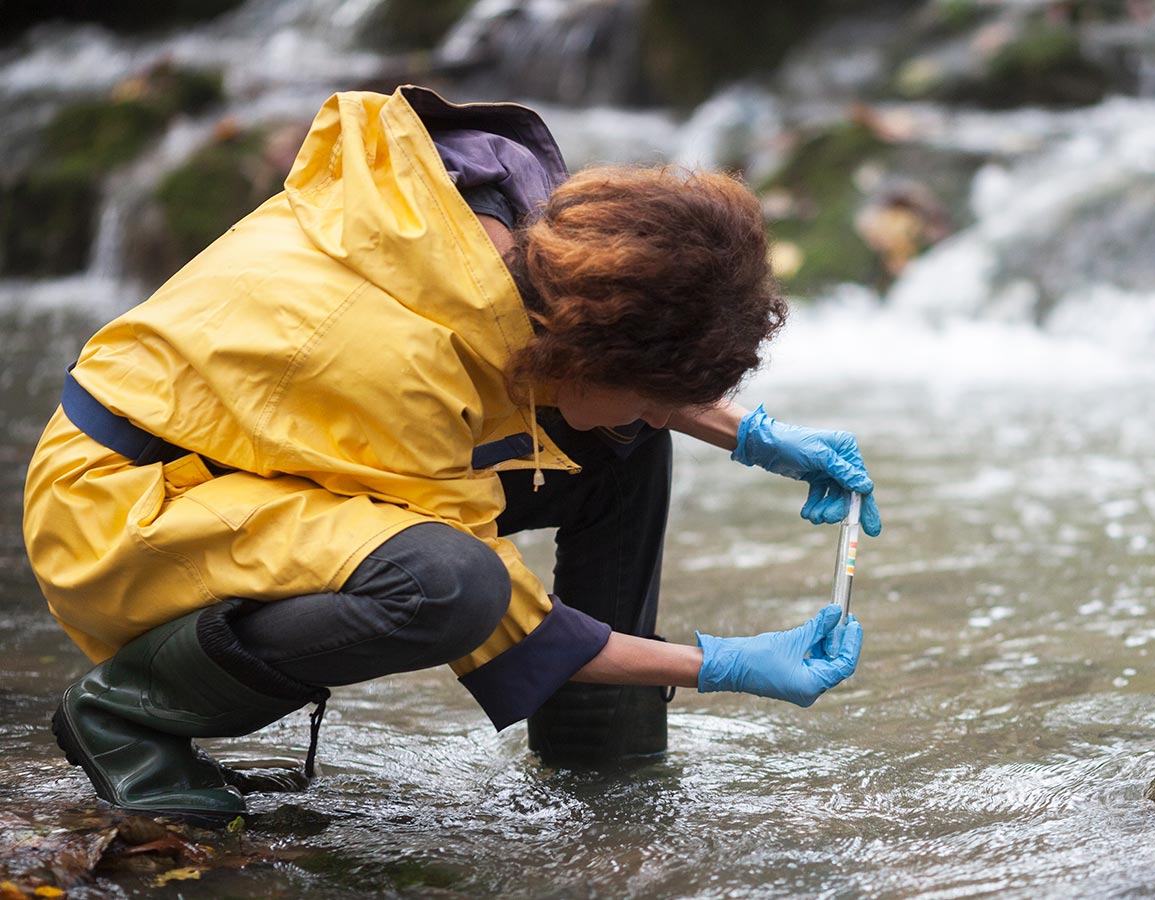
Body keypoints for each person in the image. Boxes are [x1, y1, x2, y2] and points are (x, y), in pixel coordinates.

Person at [21, 85, 883, 824]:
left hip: (255, 452)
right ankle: (130, 715)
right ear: (580, 353)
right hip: (130, 503)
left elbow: (610, 378)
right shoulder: (404, 363)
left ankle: (601, 749)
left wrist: (756, 437)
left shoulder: (527, 236)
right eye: (650, 388)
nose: (664, 409)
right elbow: (508, 622)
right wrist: (724, 665)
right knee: (448, 584)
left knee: (624, 442)